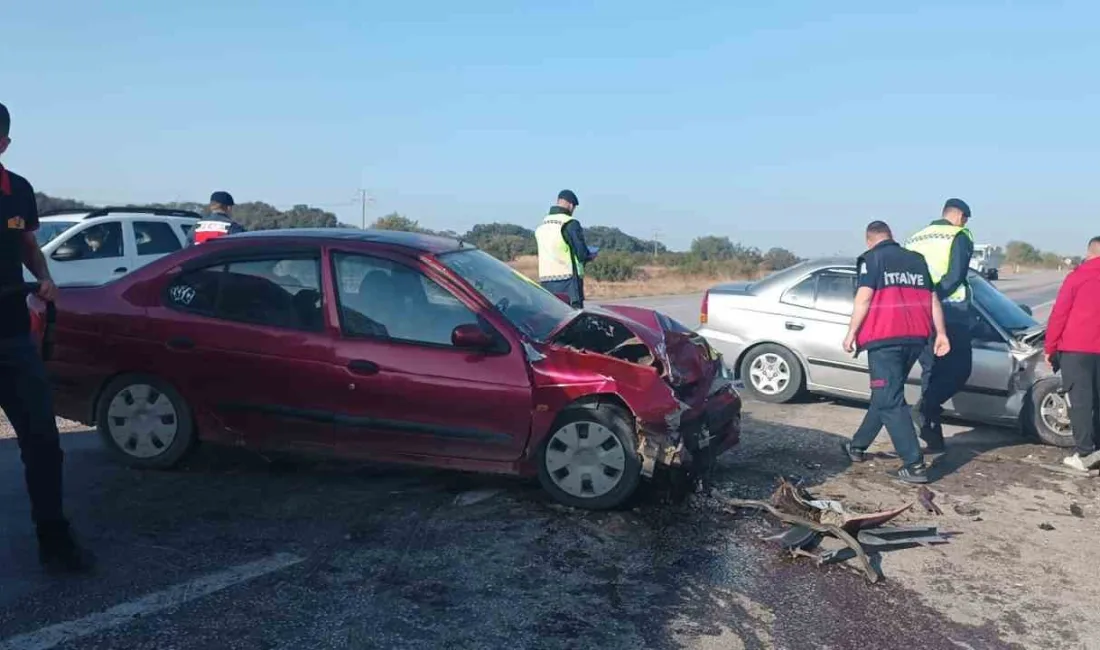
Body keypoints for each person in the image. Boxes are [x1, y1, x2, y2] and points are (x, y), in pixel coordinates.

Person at [0, 102, 95, 572]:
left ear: (4, 144)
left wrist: (45, 276)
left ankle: (54, 537)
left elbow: (28, 246)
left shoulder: (17, 190)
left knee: (42, 440)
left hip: (12, 336)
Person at [842, 221, 951, 484]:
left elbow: (864, 298)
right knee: (885, 394)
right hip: (915, 338)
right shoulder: (917, 260)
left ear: (869, 240)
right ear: (891, 236)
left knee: (890, 400)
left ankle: (914, 465)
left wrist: (851, 333)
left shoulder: (871, 259)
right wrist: (942, 333)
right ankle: (857, 446)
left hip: (884, 339)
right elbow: (932, 299)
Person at [904, 198, 975, 454]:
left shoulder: (915, 238)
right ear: (958, 216)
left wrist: (923, 301)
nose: (966, 222)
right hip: (950, 311)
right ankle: (925, 408)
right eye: (966, 218)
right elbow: (956, 276)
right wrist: (935, 299)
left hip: (918, 313)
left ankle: (933, 437)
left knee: (930, 372)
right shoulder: (958, 234)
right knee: (959, 371)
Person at [1044, 236, 1100, 471]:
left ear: (1090, 252)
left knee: (1081, 402)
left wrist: (1050, 347)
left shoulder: (1078, 276)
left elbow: (1060, 314)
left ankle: (1086, 454)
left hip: (1077, 349)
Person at [535, 189, 596, 308]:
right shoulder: (570, 223)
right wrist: (590, 256)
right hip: (569, 283)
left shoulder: (542, 226)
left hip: (546, 282)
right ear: (571, 205)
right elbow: (582, 254)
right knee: (573, 318)